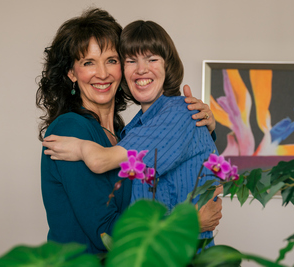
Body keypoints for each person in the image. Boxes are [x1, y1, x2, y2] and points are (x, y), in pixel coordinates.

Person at [37, 8, 217, 254]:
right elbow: (106, 232)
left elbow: (171, 165)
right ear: (72, 73)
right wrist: (189, 224)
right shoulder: (72, 129)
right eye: (89, 62)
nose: (102, 73)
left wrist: (202, 127)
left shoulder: (125, 132)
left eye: (111, 60)